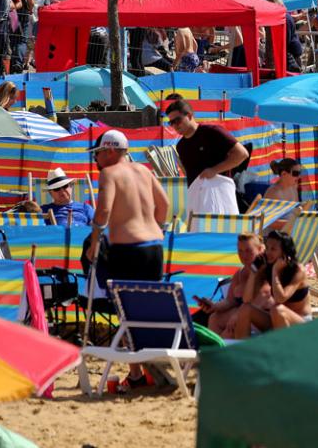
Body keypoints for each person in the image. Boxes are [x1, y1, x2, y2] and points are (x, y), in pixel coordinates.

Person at [87, 129, 169, 389]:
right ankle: (152, 365)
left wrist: (95, 241)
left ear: (110, 151)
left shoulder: (109, 174)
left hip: (128, 248)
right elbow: (165, 204)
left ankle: (136, 373)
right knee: (150, 308)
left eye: (98, 154)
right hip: (154, 245)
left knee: (127, 310)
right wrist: (158, 228)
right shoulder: (144, 171)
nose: (96, 159)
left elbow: (104, 210)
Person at [233, 230, 311, 337]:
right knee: (245, 309)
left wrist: (275, 272)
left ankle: (281, 351)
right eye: (267, 248)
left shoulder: (298, 270)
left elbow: (280, 298)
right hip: (277, 320)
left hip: (301, 323)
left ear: (284, 251)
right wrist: (253, 272)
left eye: (273, 249)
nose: (268, 252)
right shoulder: (267, 266)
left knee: (277, 309)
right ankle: (239, 350)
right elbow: (246, 299)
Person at [194, 233, 270, 338]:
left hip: (263, 318)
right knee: (214, 318)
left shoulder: (265, 271)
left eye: (248, 251)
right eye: (240, 251)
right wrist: (214, 306)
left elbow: (262, 298)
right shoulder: (240, 273)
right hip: (242, 315)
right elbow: (230, 300)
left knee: (231, 328)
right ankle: (216, 346)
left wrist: (238, 314)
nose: (244, 255)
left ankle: (220, 349)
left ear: (260, 249)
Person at [166, 99, 250, 186]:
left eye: (177, 120)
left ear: (189, 116)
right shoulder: (181, 146)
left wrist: (214, 170)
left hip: (219, 192)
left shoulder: (212, 132)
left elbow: (242, 154)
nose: (175, 125)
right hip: (198, 195)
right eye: (171, 122)